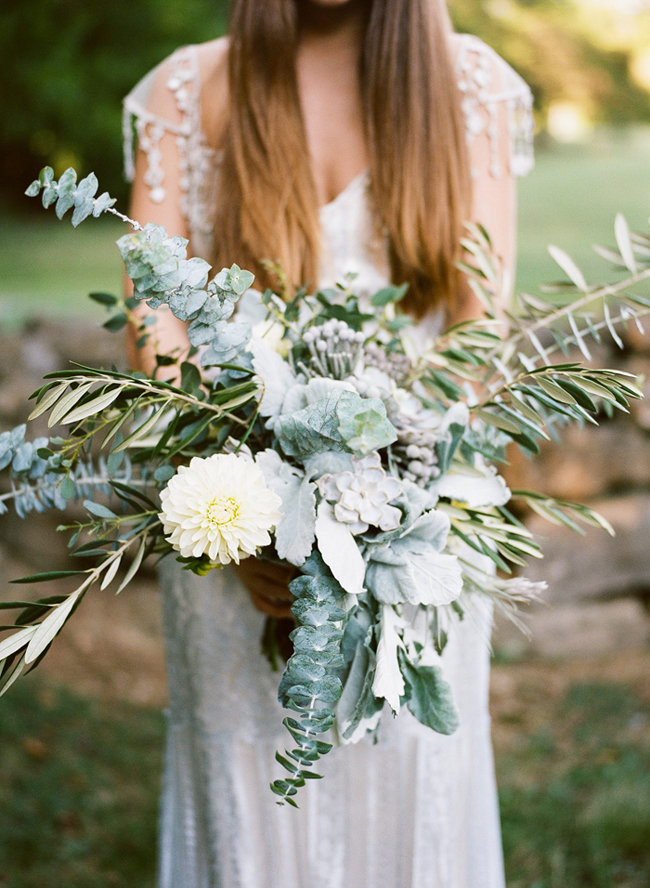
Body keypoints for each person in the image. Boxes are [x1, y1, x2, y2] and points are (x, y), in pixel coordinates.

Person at [123, 1, 534, 886]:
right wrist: (243, 517)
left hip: (420, 527)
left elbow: (476, 324)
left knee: (412, 770)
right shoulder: (185, 92)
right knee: (247, 786)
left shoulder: (474, 89)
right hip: (233, 524)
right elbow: (154, 324)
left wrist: (383, 508)